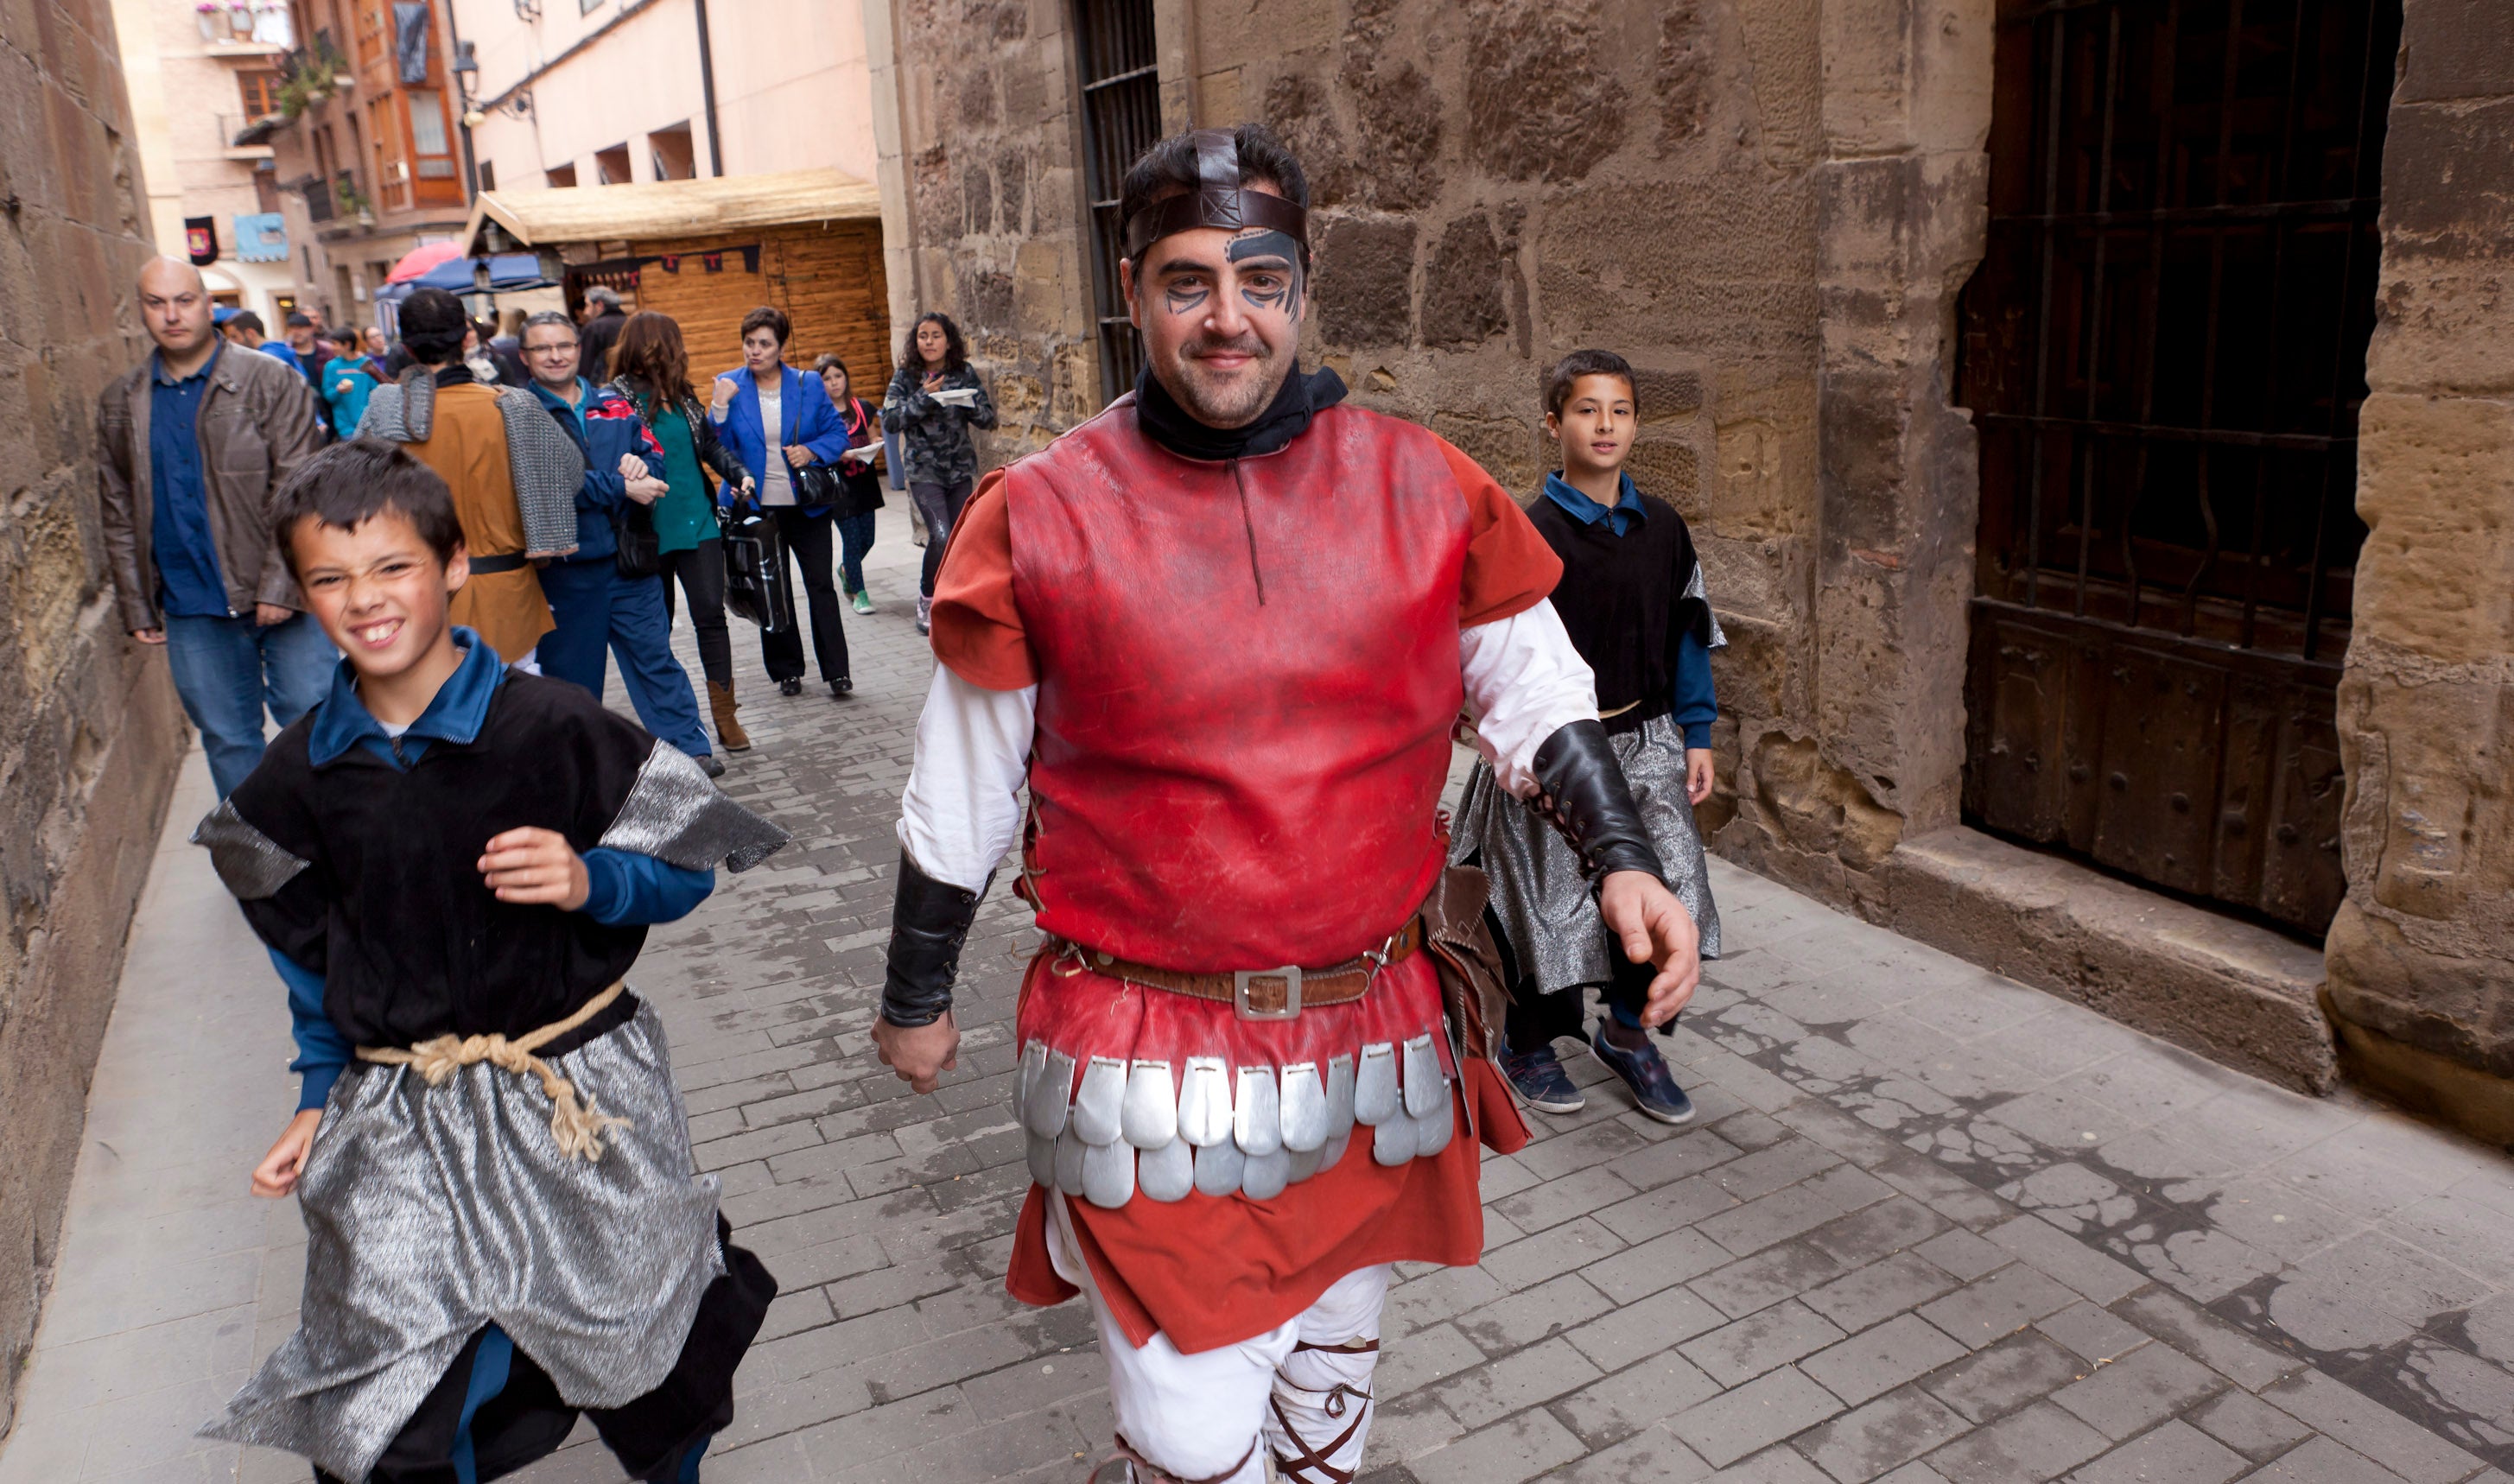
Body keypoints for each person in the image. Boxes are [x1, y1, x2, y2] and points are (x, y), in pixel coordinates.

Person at [873, 124, 1703, 1484]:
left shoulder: (1419, 483)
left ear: (1302, 286)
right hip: (1142, 1053)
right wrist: (914, 994)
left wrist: (1622, 857)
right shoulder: (1040, 513)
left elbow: (1533, 688)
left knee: (1330, 1384)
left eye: (1259, 279)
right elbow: (959, 784)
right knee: (1193, 1436)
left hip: (1371, 1032)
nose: (1227, 316)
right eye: (1188, 280)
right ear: (1132, 287)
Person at [194, 438, 785, 1483]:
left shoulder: (555, 727)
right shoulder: (295, 783)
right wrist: (317, 1089)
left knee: (649, 1352)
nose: (364, 600)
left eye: (392, 567)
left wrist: (589, 879)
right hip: (398, 1113)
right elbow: (310, 957)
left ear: (455, 563)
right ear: (300, 591)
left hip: (579, 1095)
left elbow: (691, 866)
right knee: (383, 1399)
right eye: (330, 578)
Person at [1450, 350, 1726, 1126]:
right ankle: (1529, 1040)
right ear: (1553, 422)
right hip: (1553, 755)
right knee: (1546, 904)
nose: (1604, 425)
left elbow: (1688, 634)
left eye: (1620, 410)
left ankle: (1630, 1033)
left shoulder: (1665, 528)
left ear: (1636, 423)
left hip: (1647, 740)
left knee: (1669, 886)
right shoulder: (1527, 536)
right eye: (1585, 410)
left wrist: (1696, 732)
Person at [96, 257, 335, 798]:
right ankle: (261, 874)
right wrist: (137, 603)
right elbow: (117, 508)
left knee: (316, 725)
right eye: (156, 303)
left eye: (183, 300)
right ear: (141, 312)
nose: (171, 315)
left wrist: (279, 584)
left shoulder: (269, 380)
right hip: (192, 605)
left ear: (208, 304)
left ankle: (339, 858)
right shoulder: (120, 401)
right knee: (229, 741)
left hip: (284, 597)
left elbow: (299, 485)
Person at [519, 311, 724, 777]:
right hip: (566, 575)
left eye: (565, 345)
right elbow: (547, 483)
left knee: (656, 660)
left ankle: (690, 753)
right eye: (542, 348)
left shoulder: (613, 403)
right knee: (573, 682)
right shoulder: (520, 413)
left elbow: (657, 458)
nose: (556, 355)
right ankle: (581, 771)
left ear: (579, 348)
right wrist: (620, 486)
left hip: (631, 563)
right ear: (525, 358)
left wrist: (645, 470)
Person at [357, 287, 581, 669]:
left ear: (407, 348)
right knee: (515, 719)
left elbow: (354, 495)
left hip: (414, 601)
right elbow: (570, 477)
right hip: (508, 599)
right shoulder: (516, 407)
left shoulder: (384, 416)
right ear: (465, 338)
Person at [610, 311, 758, 753]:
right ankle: (675, 723)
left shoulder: (683, 394)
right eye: (672, 343)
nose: (679, 352)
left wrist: (737, 472)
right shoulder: (618, 397)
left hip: (698, 521)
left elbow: (708, 444)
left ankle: (726, 716)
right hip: (648, 529)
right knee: (656, 630)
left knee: (711, 615)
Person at [708, 306, 854, 698]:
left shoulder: (807, 384)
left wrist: (810, 451)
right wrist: (719, 406)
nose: (754, 351)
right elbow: (715, 445)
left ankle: (837, 671)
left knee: (821, 584)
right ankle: (786, 670)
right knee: (772, 589)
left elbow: (837, 435)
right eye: (749, 343)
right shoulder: (729, 386)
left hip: (807, 506)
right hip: (757, 508)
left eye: (764, 344)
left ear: (781, 347)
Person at [881, 311, 995, 634]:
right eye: (923, 336)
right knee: (941, 535)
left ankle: (956, 599)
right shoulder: (906, 377)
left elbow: (988, 418)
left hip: (959, 470)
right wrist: (925, 398)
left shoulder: (964, 372)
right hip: (923, 471)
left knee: (959, 539)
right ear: (915, 341)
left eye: (935, 335)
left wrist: (964, 403)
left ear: (948, 341)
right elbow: (890, 421)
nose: (929, 342)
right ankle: (927, 597)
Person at [812, 353, 886, 614]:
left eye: (838, 376)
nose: (834, 383)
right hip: (838, 488)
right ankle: (859, 593)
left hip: (864, 483)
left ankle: (845, 571)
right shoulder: (819, 415)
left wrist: (873, 445)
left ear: (846, 377)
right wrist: (835, 453)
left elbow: (874, 435)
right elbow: (817, 448)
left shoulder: (862, 407)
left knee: (868, 539)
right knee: (852, 542)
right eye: (827, 378)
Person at [317, 326, 377, 440]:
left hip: (369, 425)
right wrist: (338, 390)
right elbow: (328, 396)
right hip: (345, 428)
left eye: (335, 343)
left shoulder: (367, 364)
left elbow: (376, 392)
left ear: (347, 345)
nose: (332, 347)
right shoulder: (331, 367)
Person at [578, 285, 628, 383]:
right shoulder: (630, 323)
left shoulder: (593, 328)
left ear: (599, 305)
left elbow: (586, 365)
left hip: (604, 387)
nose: (585, 312)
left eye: (587, 305)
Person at [282, 310, 326, 384]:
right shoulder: (284, 353)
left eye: (300, 328)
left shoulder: (325, 350)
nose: (296, 332)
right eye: (292, 328)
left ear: (311, 329)